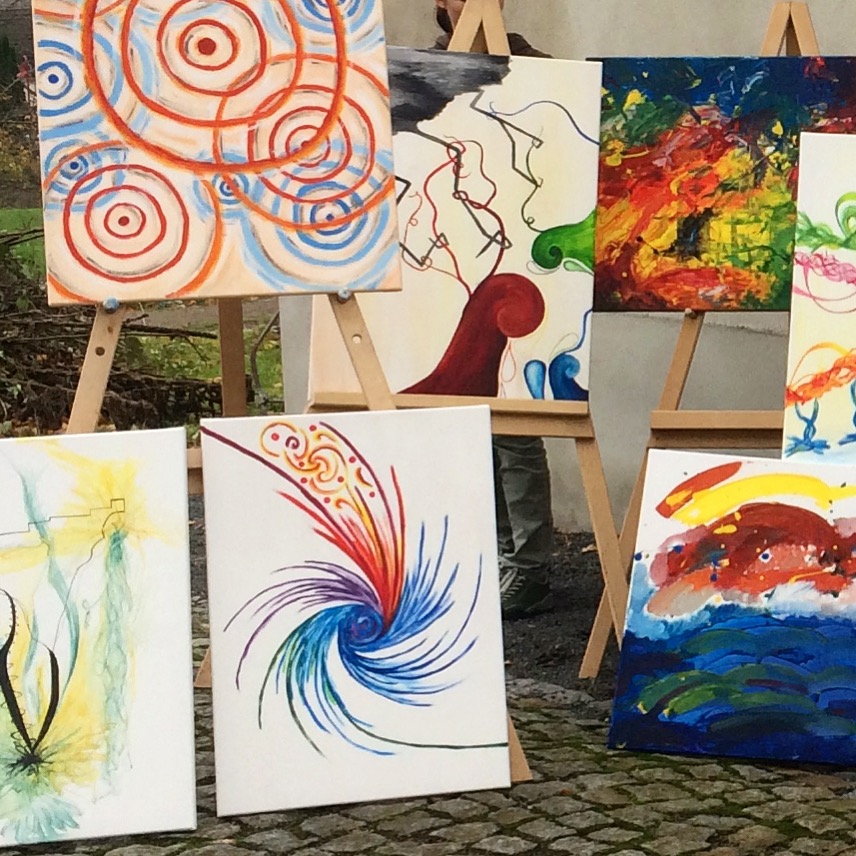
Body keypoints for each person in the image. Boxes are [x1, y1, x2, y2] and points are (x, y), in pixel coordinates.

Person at [432, 0, 555, 619]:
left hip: (518, 273)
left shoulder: (539, 69)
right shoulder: (416, 71)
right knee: (459, 425)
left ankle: (528, 568)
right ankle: (494, 556)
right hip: (443, 277)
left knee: (514, 422)